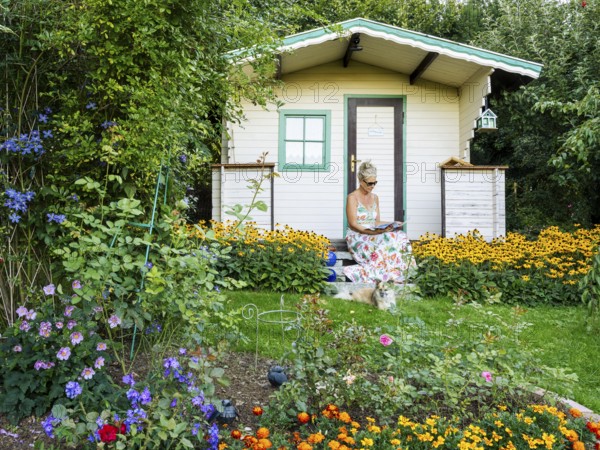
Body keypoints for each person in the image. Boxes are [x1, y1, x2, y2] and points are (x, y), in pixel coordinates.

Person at [344, 161, 415, 283]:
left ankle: (404, 275)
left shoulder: (375, 197)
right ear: (361, 181)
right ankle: (386, 276)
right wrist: (373, 233)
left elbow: (376, 221)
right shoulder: (352, 197)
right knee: (386, 239)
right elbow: (353, 224)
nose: (372, 186)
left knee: (400, 236)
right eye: (370, 183)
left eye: (375, 183)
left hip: (374, 233)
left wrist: (391, 223)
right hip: (358, 235)